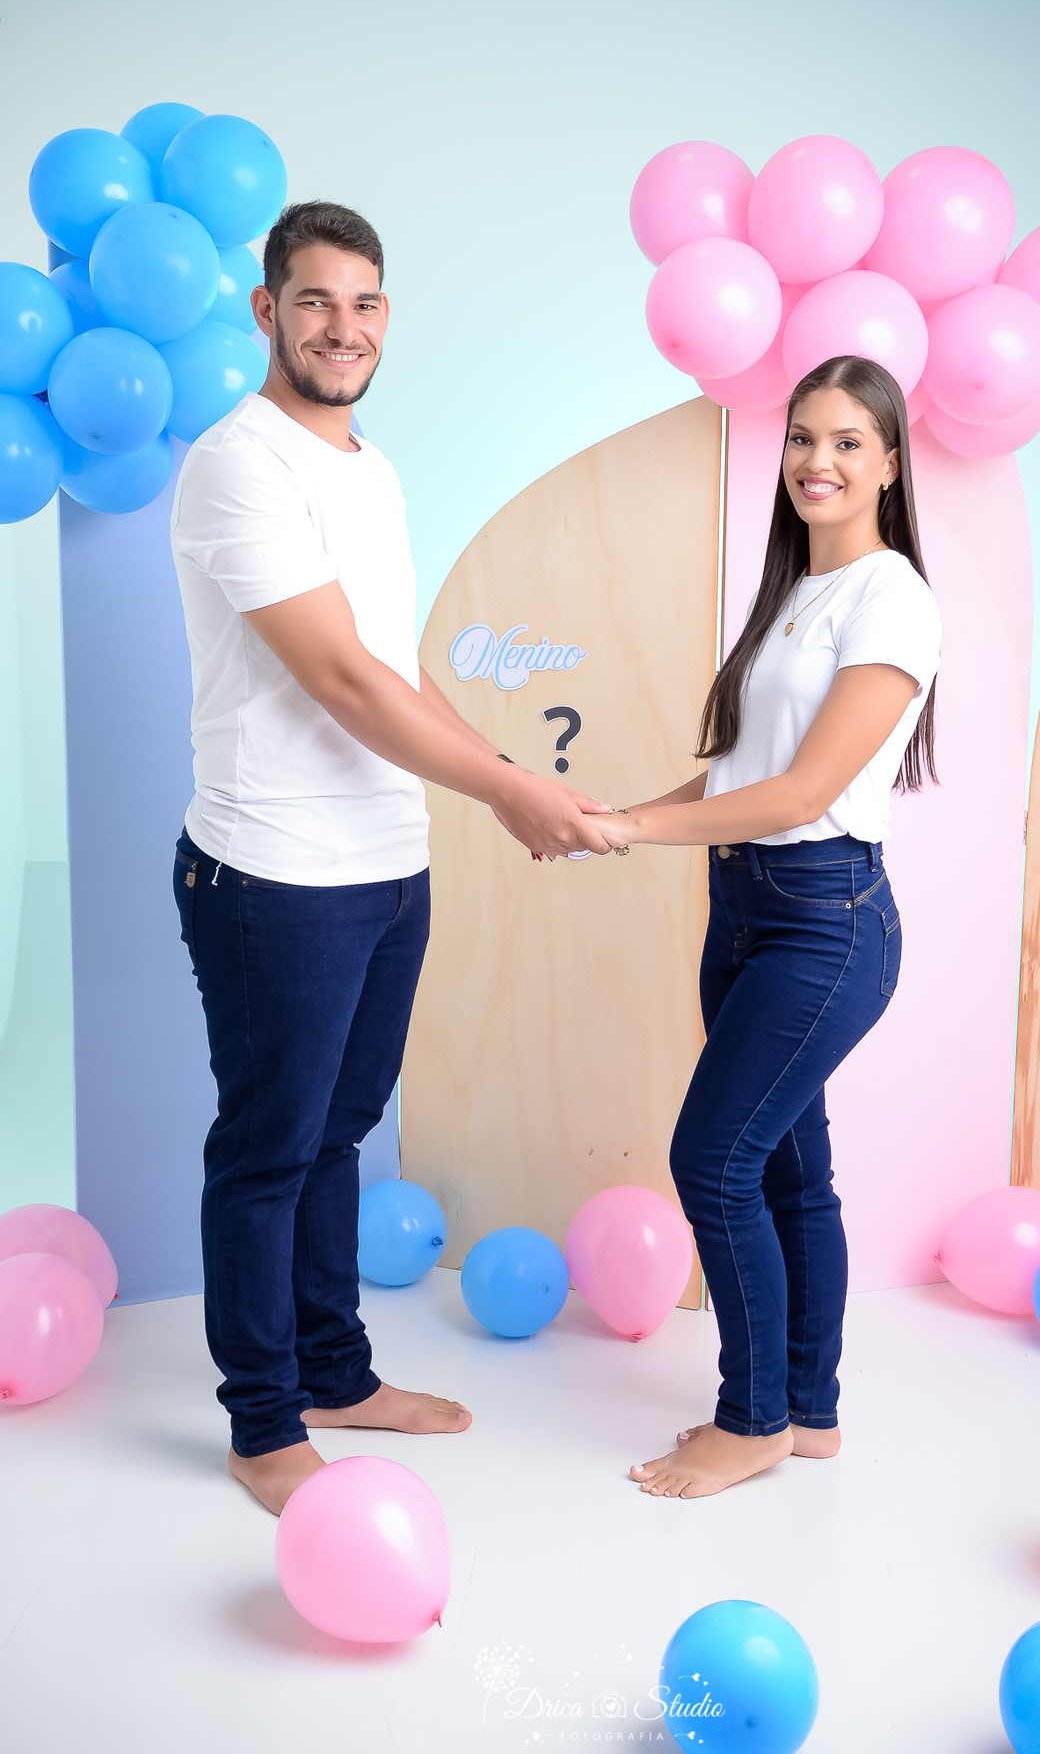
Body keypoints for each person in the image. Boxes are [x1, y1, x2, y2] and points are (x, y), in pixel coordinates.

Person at [170, 200, 612, 1515]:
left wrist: (497, 782)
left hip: (383, 863)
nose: (342, 327)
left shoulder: (373, 470)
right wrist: (509, 790)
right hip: (273, 876)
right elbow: (340, 681)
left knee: (340, 1134)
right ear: (268, 311)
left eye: (364, 303)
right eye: (315, 301)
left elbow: (397, 668)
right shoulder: (239, 466)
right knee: (269, 1150)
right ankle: (262, 1425)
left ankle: (334, 1375)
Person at [594, 356, 942, 1499]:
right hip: (743, 910)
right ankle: (809, 1411)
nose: (816, 461)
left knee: (714, 1159)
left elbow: (802, 796)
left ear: (890, 464)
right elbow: (741, 775)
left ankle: (750, 1422)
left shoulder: (892, 597)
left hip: (823, 921)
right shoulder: (794, 591)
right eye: (801, 438)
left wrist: (637, 828)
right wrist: (611, 820)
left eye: (847, 441)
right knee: (792, 1172)